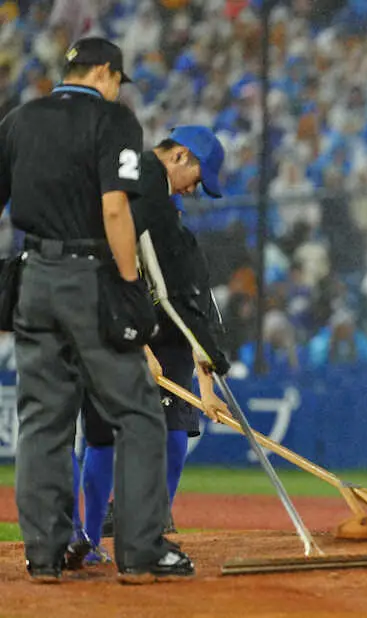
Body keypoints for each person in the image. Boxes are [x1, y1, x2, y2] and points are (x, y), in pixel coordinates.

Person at [2, 36, 192, 581]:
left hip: (33, 277)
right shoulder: (113, 120)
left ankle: (46, 553)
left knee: (42, 420)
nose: (116, 88)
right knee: (137, 413)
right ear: (105, 72)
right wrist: (130, 284)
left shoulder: (19, 120)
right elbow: (115, 209)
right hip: (88, 276)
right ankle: (140, 550)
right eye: (116, 79)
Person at [73, 126, 232, 565]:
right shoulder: (140, 199)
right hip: (119, 327)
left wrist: (206, 386)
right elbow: (132, 283)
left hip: (164, 338)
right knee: (107, 434)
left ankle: (150, 525)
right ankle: (99, 535)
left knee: (170, 431)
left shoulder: (169, 221)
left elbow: (196, 303)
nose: (194, 193)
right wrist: (140, 347)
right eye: (195, 180)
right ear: (181, 157)